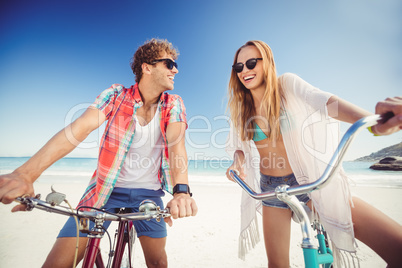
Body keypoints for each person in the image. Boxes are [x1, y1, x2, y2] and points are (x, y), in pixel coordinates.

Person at [0, 38, 198, 268]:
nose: (175, 70)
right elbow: (79, 129)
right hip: (104, 193)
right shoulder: (115, 95)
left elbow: (176, 146)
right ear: (147, 67)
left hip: (149, 196)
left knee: (157, 262)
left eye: (175, 65)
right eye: (169, 64)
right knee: (57, 263)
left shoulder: (173, 103)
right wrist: (26, 174)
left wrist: (181, 192)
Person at [224, 40, 402, 267]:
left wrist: (373, 123)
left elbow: (326, 102)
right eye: (238, 67)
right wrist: (236, 164)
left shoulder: (286, 85)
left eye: (250, 63)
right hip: (270, 189)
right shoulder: (241, 107)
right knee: (277, 264)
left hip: (310, 182)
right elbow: (239, 146)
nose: (244, 71)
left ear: (266, 62)